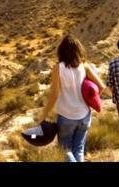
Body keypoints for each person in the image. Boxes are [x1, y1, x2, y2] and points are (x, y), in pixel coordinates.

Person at [39, 34, 105, 162]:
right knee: (79, 149)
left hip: (66, 116)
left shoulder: (58, 68)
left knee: (65, 150)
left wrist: (43, 115)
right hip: (84, 115)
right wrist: (90, 101)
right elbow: (101, 87)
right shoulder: (84, 66)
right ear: (78, 50)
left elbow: (54, 95)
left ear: (61, 51)